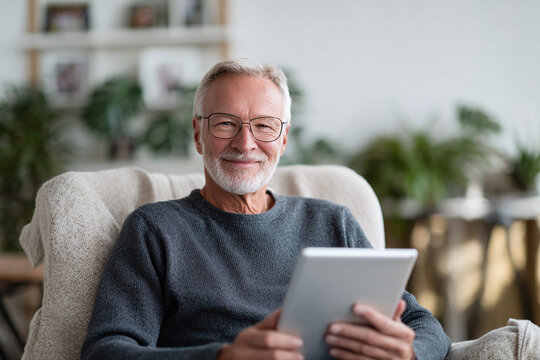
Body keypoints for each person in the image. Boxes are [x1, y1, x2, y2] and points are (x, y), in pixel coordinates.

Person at [81, 58, 451, 360]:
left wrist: (410, 353)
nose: (246, 143)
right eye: (225, 123)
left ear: (284, 139)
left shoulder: (332, 222)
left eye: (264, 126)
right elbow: (106, 351)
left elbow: (424, 324)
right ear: (197, 133)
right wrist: (223, 357)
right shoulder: (154, 230)